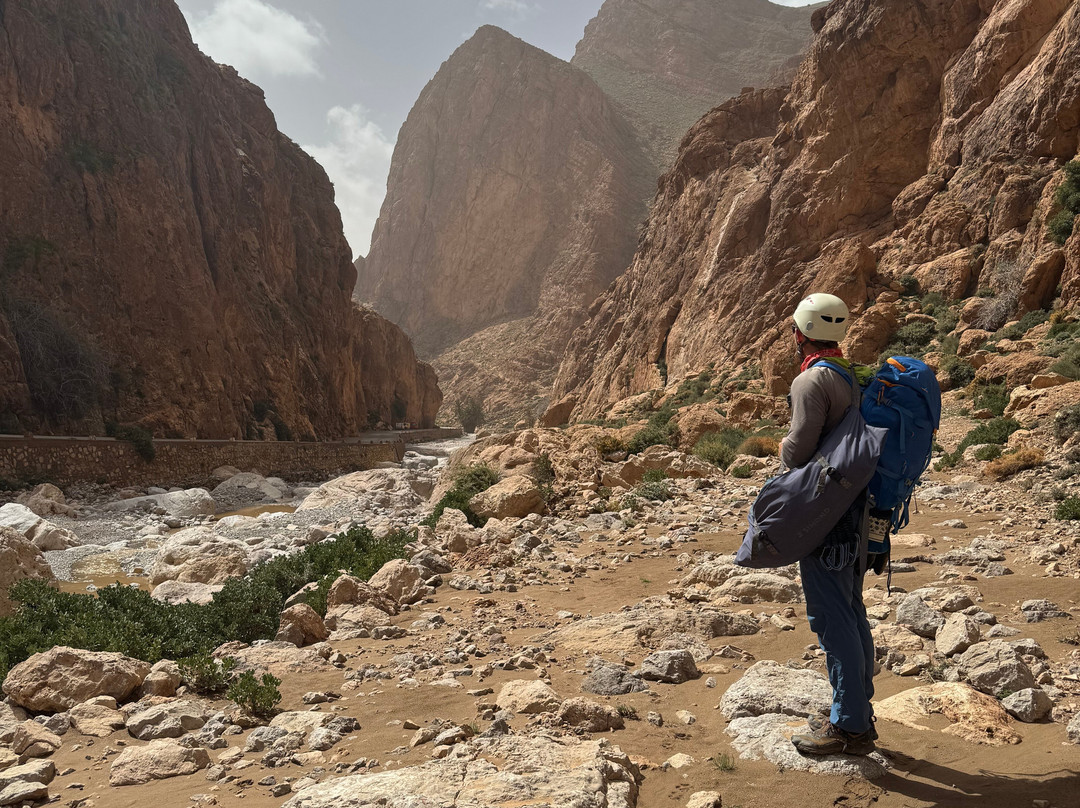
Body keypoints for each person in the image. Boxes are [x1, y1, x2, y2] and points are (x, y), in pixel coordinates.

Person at [782, 293, 877, 757]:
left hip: (828, 515)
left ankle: (851, 728)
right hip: (859, 512)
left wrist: (781, 451)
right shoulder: (853, 375)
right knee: (851, 609)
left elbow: (799, 450)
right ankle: (857, 709)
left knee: (831, 618)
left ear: (799, 332)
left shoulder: (812, 381)